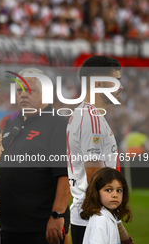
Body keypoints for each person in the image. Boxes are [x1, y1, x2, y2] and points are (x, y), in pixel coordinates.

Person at [0, 68, 71, 244]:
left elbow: (65, 174)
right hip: (9, 227)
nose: (23, 95)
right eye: (19, 90)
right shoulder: (12, 124)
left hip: (41, 228)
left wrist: (57, 215)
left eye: (29, 90)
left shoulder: (58, 124)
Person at [66, 55, 125, 244]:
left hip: (91, 216)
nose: (121, 87)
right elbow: (95, 176)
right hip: (94, 219)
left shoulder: (87, 115)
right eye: (116, 81)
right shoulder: (91, 119)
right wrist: (119, 226)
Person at [80, 167, 132, 244]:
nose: (115, 195)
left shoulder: (110, 216)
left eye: (119, 190)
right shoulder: (100, 220)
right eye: (108, 190)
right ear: (96, 192)